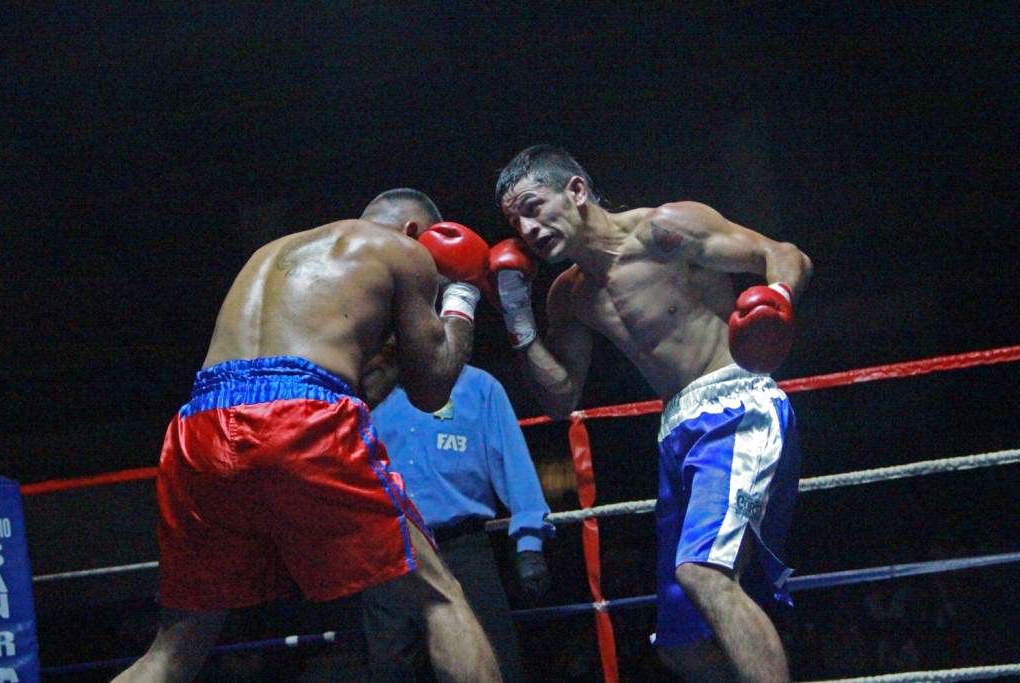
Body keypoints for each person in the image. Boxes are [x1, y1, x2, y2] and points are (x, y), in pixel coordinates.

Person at [111, 189, 502, 683]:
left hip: (199, 427)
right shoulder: (404, 251)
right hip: (301, 418)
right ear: (413, 232)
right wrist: (462, 291)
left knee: (174, 650)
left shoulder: (270, 254)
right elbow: (432, 388)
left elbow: (337, 381)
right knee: (439, 599)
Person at [491, 146, 813, 683]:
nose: (525, 227)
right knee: (682, 647)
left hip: (735, 405)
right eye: (513, 220)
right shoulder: (567, 296)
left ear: (575, 191)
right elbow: (560, 398)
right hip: (676, 432)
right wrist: (518, 318)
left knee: (703, 576)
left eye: (532, 206)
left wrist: (775, 297)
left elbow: (785, 255)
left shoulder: (665, 231)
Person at [363, 363, 555, 682]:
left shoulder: (477, 386)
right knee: (395, 671)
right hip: (386, 553)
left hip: (463, 551)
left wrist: (529, 543)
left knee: (490, 665)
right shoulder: (364, 393)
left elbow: (513, 460)